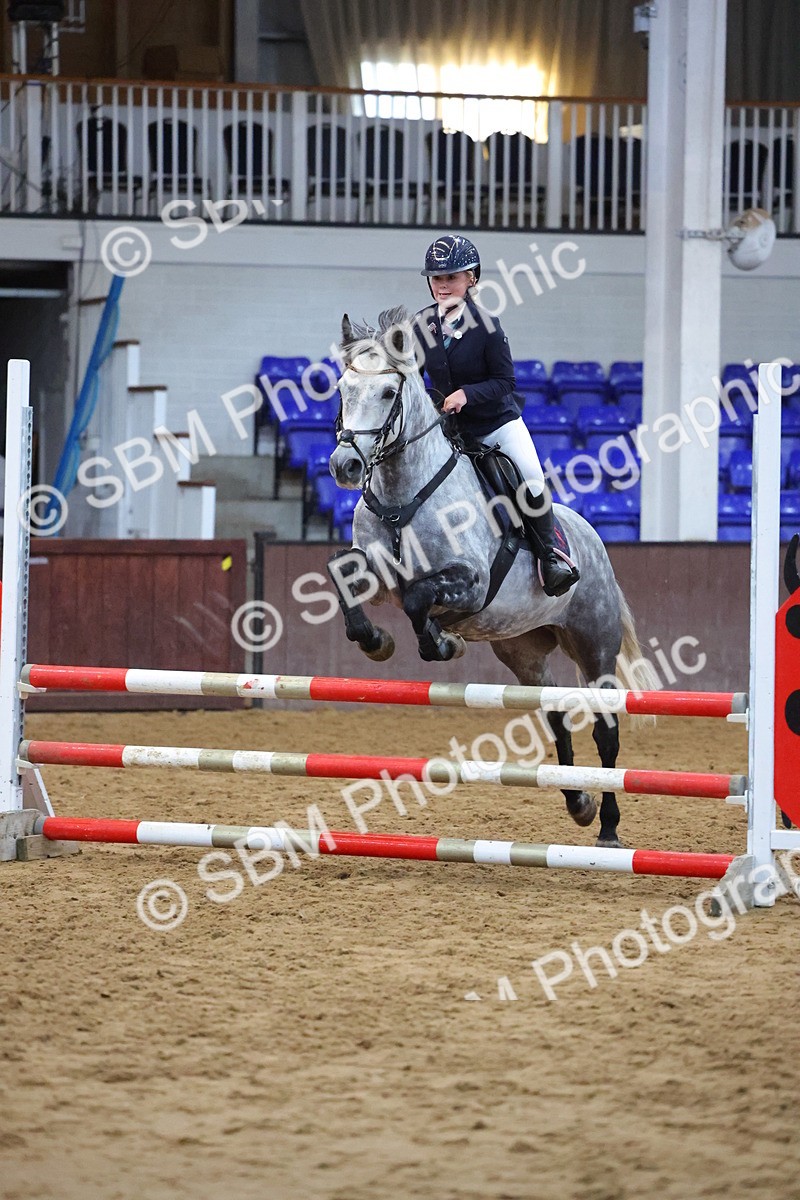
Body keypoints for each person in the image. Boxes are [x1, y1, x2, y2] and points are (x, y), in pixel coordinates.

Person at [412, 233, 579, 598]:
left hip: (495, 426)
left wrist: (466, 395)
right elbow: (414, 376)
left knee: (532, 479)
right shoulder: (422, 324)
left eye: (451, 277)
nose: (442, 285)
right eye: (436, 278)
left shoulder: (488, 326)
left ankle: (550, 557)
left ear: (471, 278)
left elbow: (505, 381)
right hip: (450, 432)